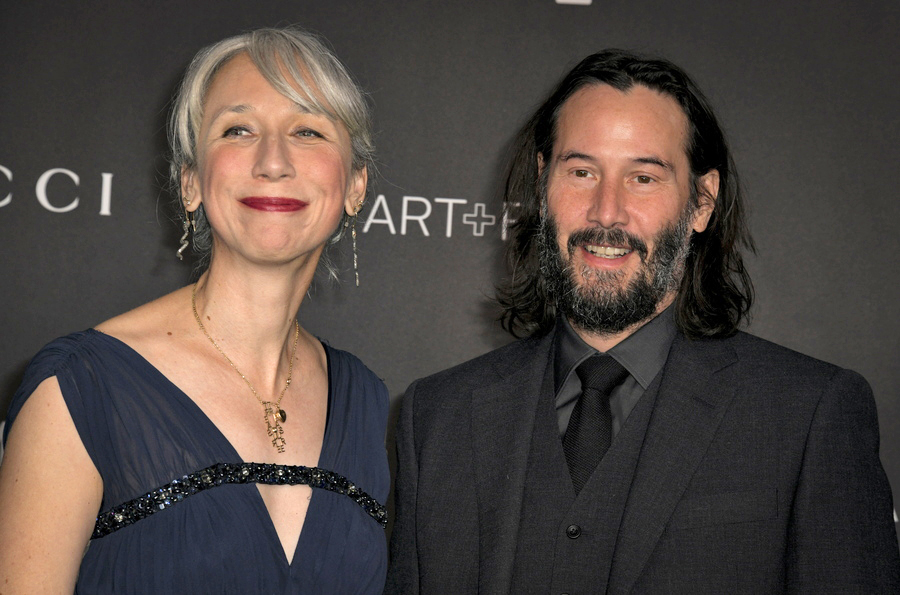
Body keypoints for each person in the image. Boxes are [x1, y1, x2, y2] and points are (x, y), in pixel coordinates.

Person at [387, 49, 900, 593]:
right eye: (581, 172)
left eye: (643, 178)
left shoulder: (809, 414)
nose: (606, 211)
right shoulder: (437, 417)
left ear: (702, 202)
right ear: (542, 184)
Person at [0, 28, 389, 593]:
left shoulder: (364, 398)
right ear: (190, 182)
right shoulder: (81, 388)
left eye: (307, 130)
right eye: (238, 130)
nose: (273, 161)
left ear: (355, 186)